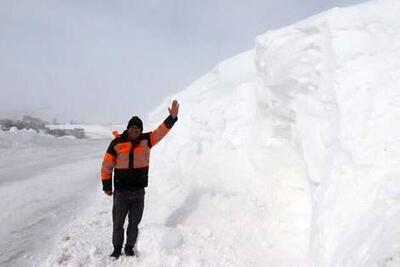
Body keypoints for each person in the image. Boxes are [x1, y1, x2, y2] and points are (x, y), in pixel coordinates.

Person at [101, 100, 179, 258]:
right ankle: (117, 248)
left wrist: (171, 118)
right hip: (121, 193)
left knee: (134, 224)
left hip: (138, 192)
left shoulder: (146, 141)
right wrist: (107, 186)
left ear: (140, 130)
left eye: (137, 128)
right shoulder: (117, 144)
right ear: (128, 129)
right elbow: (107, 166)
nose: (134, 130)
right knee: (118, 223)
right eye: (132, 127)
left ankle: (129, 247)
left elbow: (160, 132)